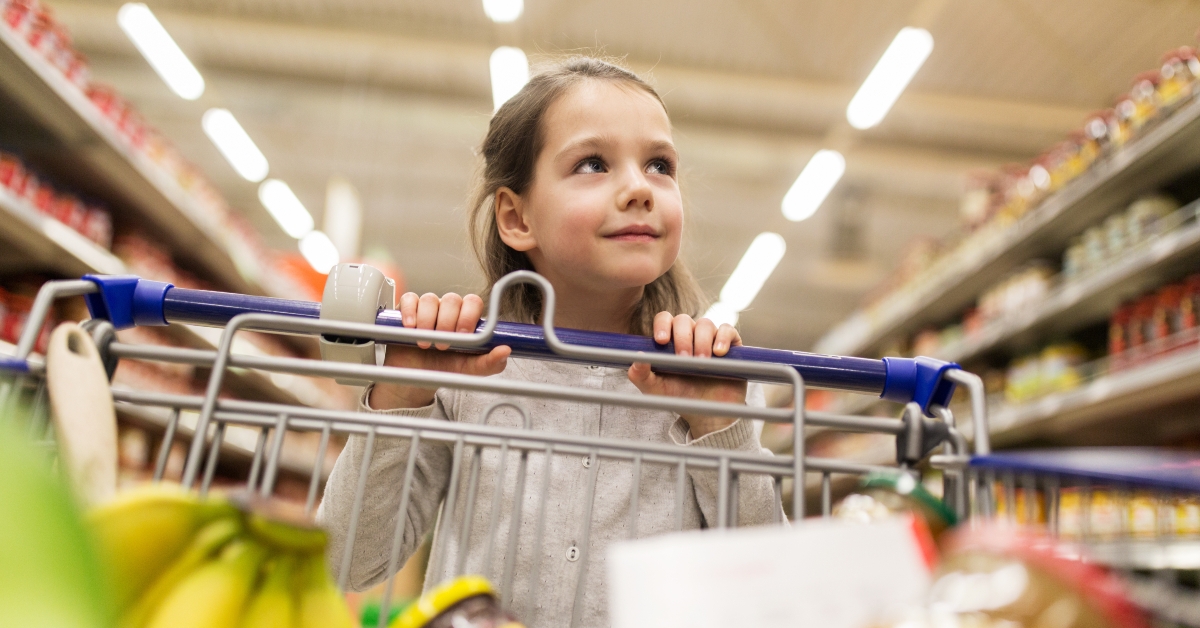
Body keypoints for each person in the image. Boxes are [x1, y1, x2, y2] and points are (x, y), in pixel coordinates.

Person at [318, 56, 783, 628]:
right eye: (593, 163)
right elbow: (343, 562)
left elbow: (769, 591)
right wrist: (401, 395)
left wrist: (721, 431)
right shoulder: (466, 367)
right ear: (516, 218)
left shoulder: (711, 377)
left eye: (659, 165)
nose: (640, 188)